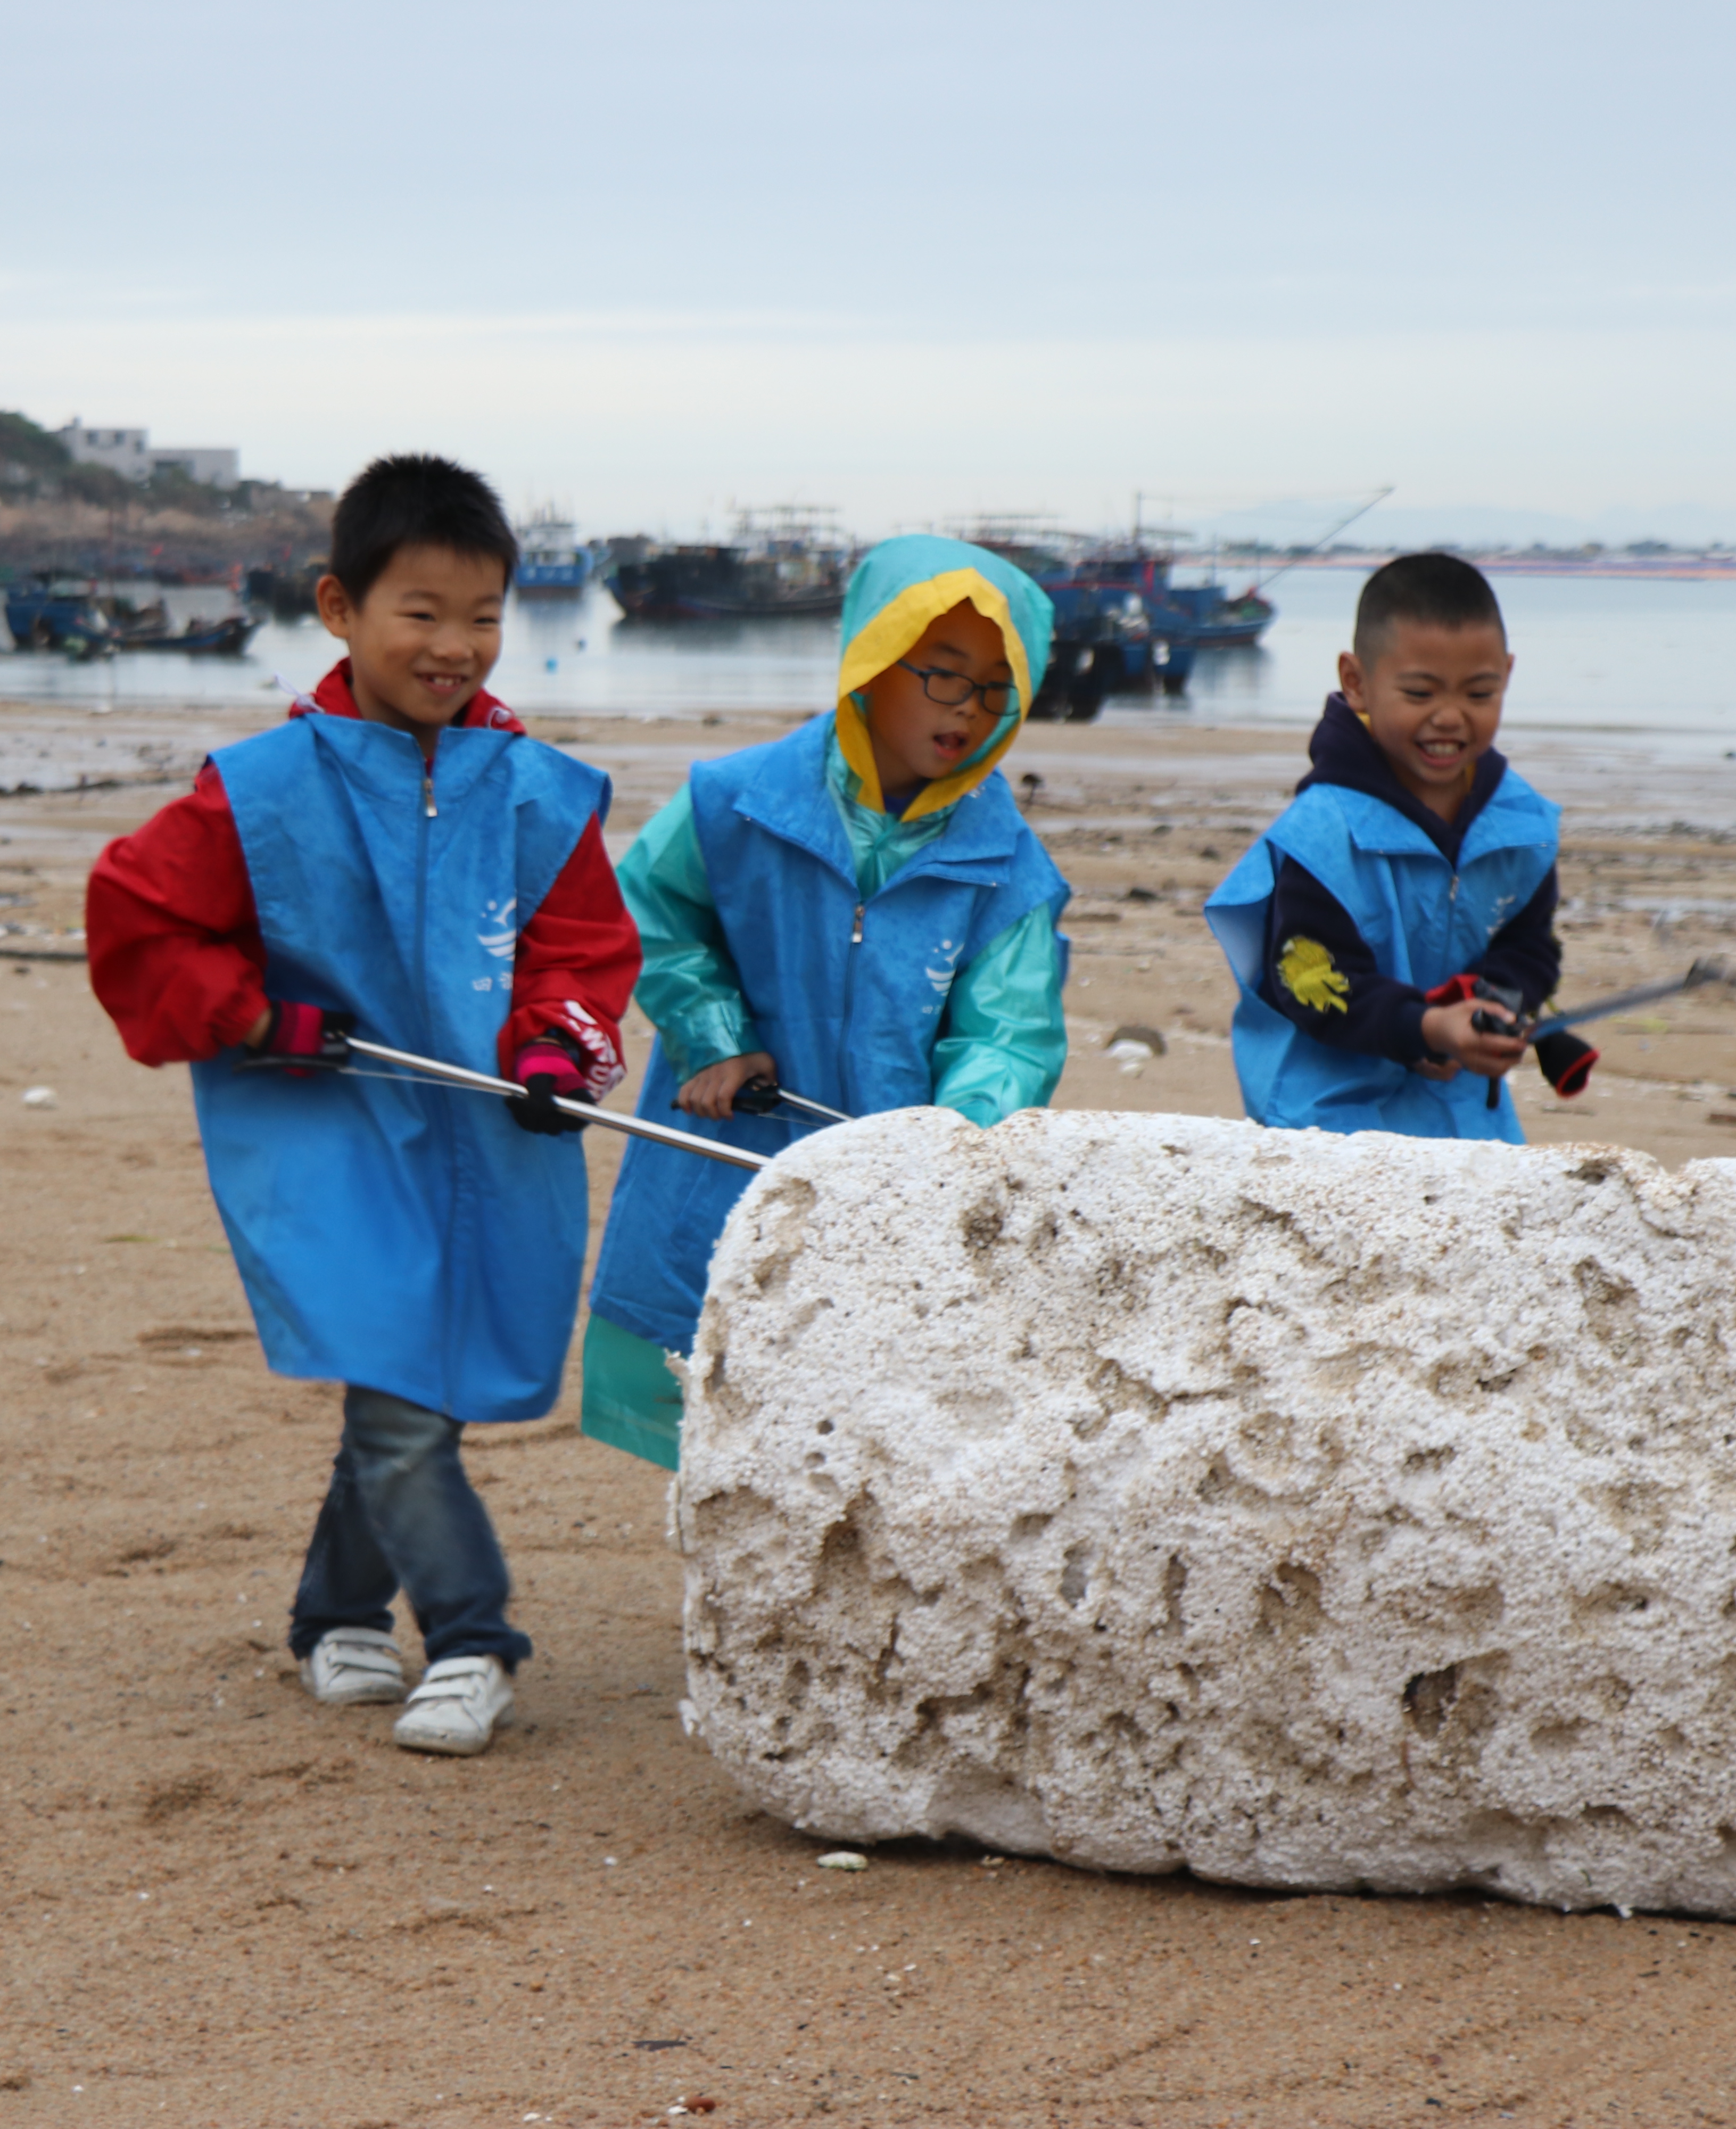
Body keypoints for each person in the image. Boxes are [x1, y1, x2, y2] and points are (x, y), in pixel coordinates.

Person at [83, 453, 638, 1757]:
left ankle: (334, 1608)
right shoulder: (263, 788)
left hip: (491, 1139)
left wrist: (556, 1052)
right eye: (422, 611)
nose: (456, 645)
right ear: (338, 606)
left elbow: (581, 954)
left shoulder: (543, 792)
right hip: (328, 1133)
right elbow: (138, 915)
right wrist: (252, 1016)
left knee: (412, 1389)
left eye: (485, 615)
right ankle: (472, 1639)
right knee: (398, 1391)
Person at [580, 534, 1070, 1469]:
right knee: (716, 1399)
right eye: (942, 675)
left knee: (867, 1426)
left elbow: (1009, 1036)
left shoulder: (1009, 873)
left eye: (994, 687)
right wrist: (711, 1033)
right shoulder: (736, 802)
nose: (967, 708)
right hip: (725, 1153)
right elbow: (650, 905)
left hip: (890, 1197)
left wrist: (949, 1148)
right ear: (874, 660)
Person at [1202, 552, 1591, 1138]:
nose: (1451, 718)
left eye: (1479, 694)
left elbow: (1529, 945)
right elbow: (1315, 987)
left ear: (1506, 676)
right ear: (1357, 683)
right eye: (1420, 693)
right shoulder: (1321, 837)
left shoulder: (1521, 824)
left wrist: (1494, 1004)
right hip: (1328, 1117)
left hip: (1466, 1119)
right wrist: (1427, 1027)